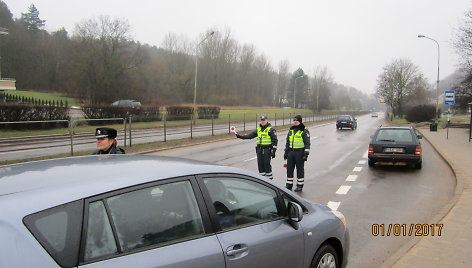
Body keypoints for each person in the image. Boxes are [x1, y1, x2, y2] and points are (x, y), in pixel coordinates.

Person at [236, 115, 278, 180]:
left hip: (267, 150)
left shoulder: (271, 130)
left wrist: (274, 150)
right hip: (259, 150)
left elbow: (275, 140)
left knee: (266, 165)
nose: (263, 121)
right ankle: (263, 181)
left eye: (264, 120)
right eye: (261, 120)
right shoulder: (258, 129)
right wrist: (240, 136)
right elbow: (250, 135)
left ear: (267, 120)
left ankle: (270, 181)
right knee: (260, 166)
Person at [284, 115, 310, 191]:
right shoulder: (291, 130)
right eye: (294, 120)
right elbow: (288, 142)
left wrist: (306, 154)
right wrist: (286, 152)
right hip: (291, 152)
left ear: (300, 121)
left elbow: (307, 143)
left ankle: (300, 185)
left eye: (297, 120)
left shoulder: (304, 130)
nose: (295, 122)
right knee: (289, 169)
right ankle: (289, 184)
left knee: (300, 169)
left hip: (300, 152)